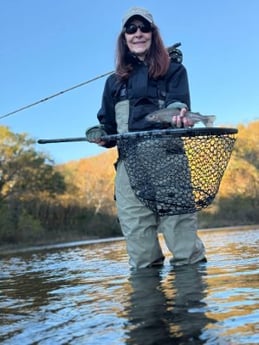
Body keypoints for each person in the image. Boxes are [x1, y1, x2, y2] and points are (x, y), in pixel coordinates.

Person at [87, 7, 206, 269]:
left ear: (153, 34)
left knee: (185, 248)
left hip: (169, 162)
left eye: (144, 28)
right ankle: (147, 309)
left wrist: (179, 113)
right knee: (141, 255)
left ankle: (191, 308)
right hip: (128, 168)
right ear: (124, 37)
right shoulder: (112, 83)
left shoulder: (174, 70)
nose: (138, 33)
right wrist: (99, 135)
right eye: (131, 29)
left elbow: (179, 102)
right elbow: (107, 128)